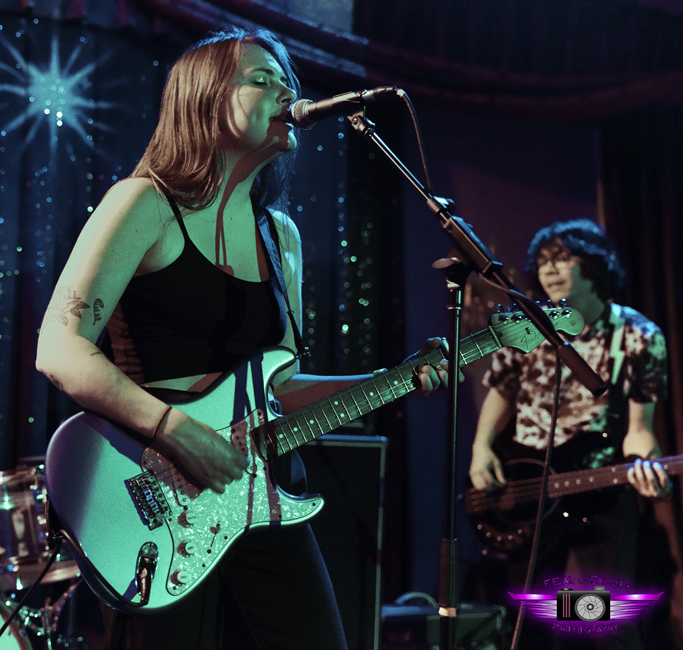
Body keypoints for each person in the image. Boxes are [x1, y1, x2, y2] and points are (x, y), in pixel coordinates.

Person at [36, 27, 450, 650]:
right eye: (262, 79)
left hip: (263, 493)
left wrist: (389, 383)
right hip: (160, 491)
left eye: (289, 81)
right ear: (202, 98)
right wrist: (175, 430)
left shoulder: (280, 236)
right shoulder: (143, 204)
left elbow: (278, 383)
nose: (286, 92)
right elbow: (60, 348)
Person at [467, 219, 671, 649]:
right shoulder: (525, 326)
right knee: (532, 619)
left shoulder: (639, 335)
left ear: (594, 265)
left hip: (598, 490)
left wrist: (644, 466)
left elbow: (639, 430)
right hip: (527, 490)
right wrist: (481, 447)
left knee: (604, 617)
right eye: (542, 261)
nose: (550, 270)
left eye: (562, 258)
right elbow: (502, 391)